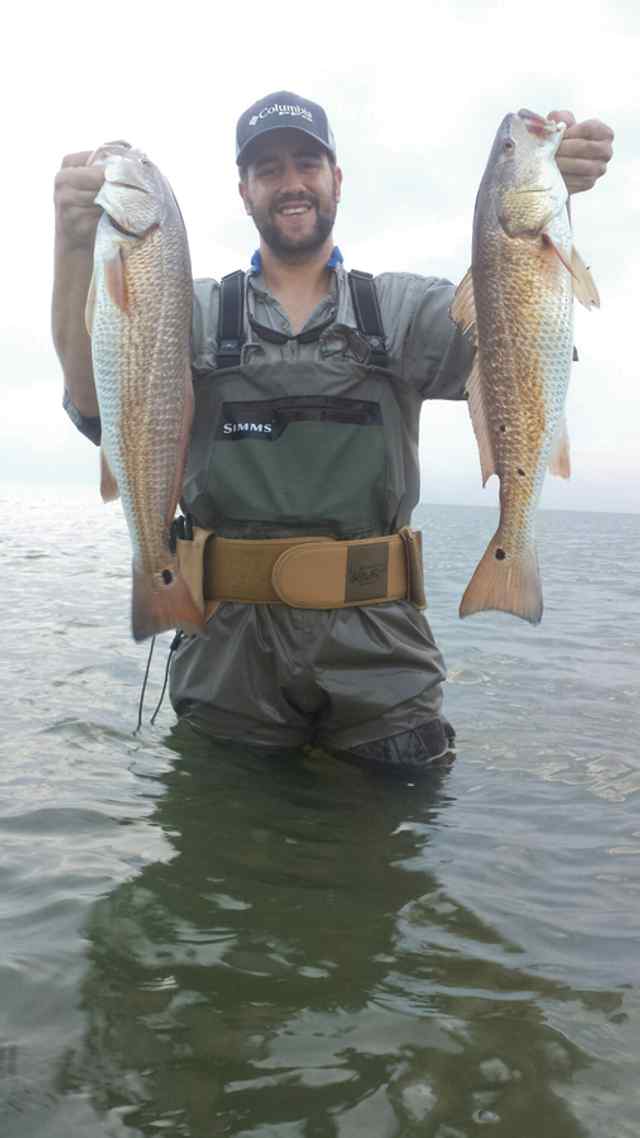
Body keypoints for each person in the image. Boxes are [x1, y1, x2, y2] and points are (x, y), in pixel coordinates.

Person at [52, 92, 614, 769]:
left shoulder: (403, 308)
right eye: (268, 168)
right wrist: (74, 246)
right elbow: (90, 398)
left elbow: (518, 341)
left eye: (307, 163)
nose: (290, 183)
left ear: (337, 178)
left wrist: (558, 200)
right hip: (227, 652)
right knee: (218, 856)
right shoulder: (190, 310)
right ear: (245, 191)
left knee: (391, 863)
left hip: (382, 654)